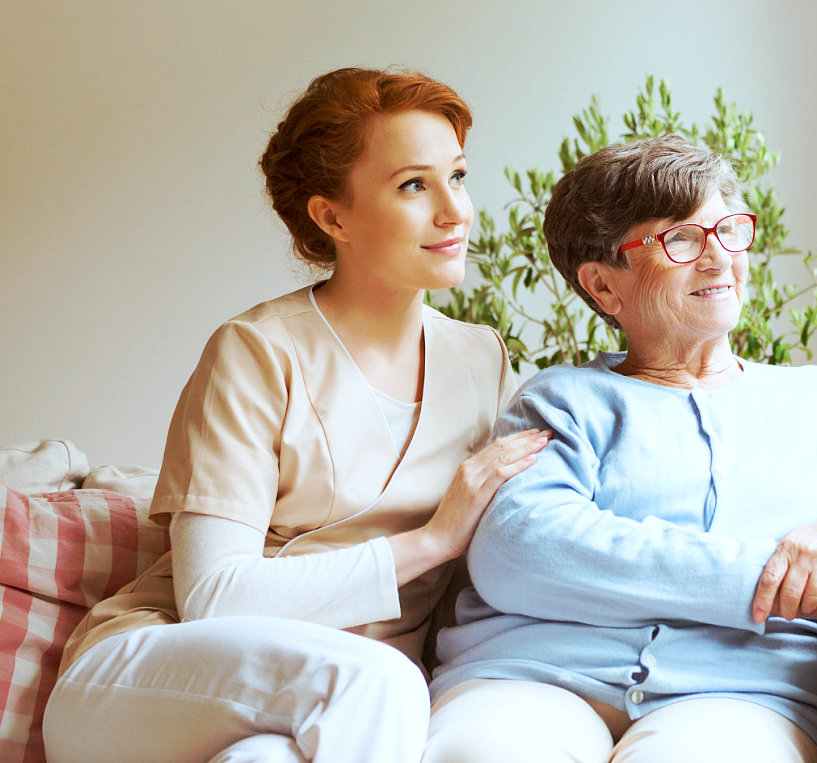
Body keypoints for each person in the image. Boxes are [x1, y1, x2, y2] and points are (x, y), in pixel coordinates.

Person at [424, 136, 817, 763]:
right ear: (603, 286)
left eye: (729, 230)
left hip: (743, 695)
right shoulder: (560, 399)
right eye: (680, 240)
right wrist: (768, 578)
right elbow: (523, 550)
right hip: (531, 676)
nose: (717, 258)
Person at [42, 67, 548, 763]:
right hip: (153, 677)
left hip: (329, 712)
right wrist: (431, 540)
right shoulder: (255, 352)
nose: (455, 210)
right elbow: (215, 596)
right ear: (331, 216)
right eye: (413, 185)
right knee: (378, 681)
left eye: (456, 176)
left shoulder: (480, 358)